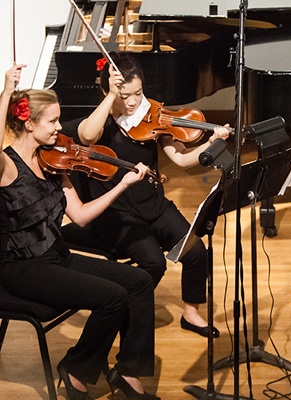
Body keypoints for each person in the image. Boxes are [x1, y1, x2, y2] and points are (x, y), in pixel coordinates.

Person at [0, 64, 158, 400]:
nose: (60, 128)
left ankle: (128, 371)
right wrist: (5, 92)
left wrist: (123, 184)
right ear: (29, 124)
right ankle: (75, 370)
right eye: (52, 122)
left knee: (140, 281)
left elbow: (82, 217)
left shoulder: (54, 163)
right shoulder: (7, 166)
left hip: (56, 255)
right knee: (112, 298)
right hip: (21, 267)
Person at [60, 53, 231, 338]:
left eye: (138, 93)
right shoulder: (97, 123)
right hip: (117, 213)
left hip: (153, 203)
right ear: (107, 91)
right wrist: (110, 96)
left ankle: (191, 313)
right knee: (154, 262)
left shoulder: (151, 116)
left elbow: (181, 159)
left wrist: (212, 142)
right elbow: (88, 136)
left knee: (196, 251)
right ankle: (121, 307)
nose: (133, 102)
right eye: (124, 95)